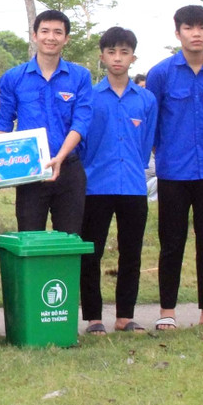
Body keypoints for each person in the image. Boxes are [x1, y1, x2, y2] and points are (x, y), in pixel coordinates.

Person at [144, 5, 203, 331]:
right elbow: (152, 122)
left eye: (202, 27)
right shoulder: (161, 73)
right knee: (172, 244)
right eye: (189, 28)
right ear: (177, 32)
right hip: (173, 172)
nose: (196, 33)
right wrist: (166, 151)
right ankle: (167, 311)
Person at [79, 27, 157, 335]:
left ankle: (125, 316)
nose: (117, 58)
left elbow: (146, 143)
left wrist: (135, 168)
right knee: (91, 253)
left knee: (131, 253)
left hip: (133, 186)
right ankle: (93, 317)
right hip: (96, 185)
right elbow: (83, 142)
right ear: (102, 57)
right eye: (111, 52)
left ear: (133, 58)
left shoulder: (146, 100)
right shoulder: (90, 97)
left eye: (124, 52)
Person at [0, 9, 93, 233]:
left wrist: (60, 157)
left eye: (58, 32)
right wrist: (3, 163)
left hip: (69, 169)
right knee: (29, 239)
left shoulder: (80, 77)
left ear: (66, 38)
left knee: (68, 240)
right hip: (30, 171)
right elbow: (4, 124)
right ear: (34, 35)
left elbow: (81, 122)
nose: (51, 37)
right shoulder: (13, 77)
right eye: (45, 31)